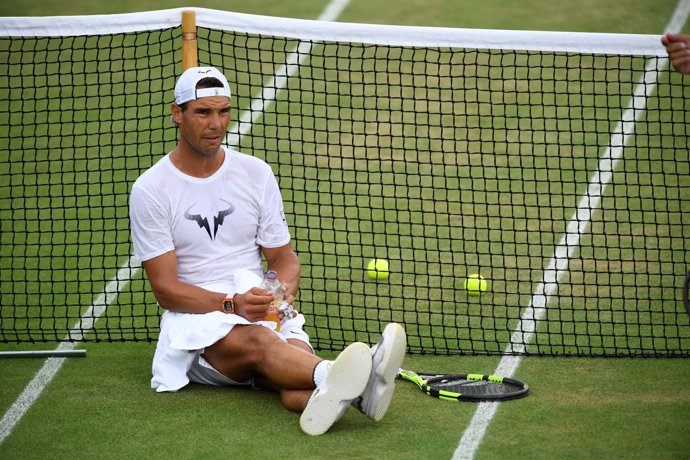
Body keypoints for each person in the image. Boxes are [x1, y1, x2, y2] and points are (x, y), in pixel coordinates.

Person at [129, 66, 407, 436]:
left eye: (224, 111)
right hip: (200, 324)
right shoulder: (151, 189)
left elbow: (283, 258)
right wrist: (232, 304)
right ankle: (345, 376)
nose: (216, 124)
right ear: (177, 113)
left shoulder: (255, 173)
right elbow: (166, 290)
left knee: (294, 367)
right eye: (203, 112)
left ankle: (340, 397)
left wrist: (280, 289)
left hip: (260, 304)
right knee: (263, 343)